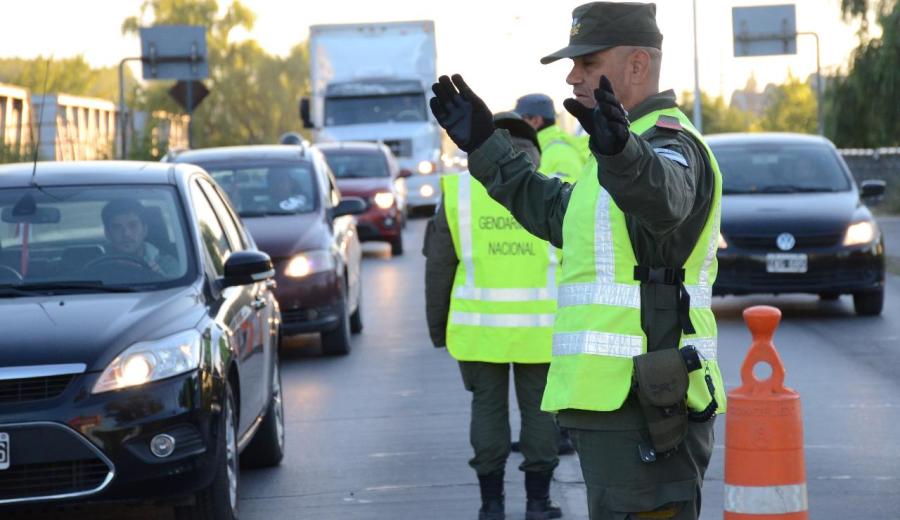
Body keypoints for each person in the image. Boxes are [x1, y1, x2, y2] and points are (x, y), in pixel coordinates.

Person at [427, 3, 727, 519]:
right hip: (614, 405)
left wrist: (624, 154)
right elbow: (554, 212)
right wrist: (484, 145)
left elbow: (667, 198)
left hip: (647, 403)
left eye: (588, 63)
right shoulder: (612, 151)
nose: (572, 76)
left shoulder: (670, 143)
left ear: (636, 66)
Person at [424, 112, 563, 520]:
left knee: (487, 412)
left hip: (479, 332)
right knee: (540, 414)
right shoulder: (552, 189)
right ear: (532, 151)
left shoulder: (459, 193)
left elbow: (438, 268)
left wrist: (437, 330)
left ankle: (491, 505)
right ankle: (538, 504)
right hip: (541, 331)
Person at [514, 94, 585, 184]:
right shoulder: (543, 148)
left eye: (520, 119)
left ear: (536, 120)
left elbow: (570, 195)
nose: (515, 124)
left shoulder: (560, 153)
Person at [101, 198, 178, 277]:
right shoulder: (98, 266)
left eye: (133, 225)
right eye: (117, 227)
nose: (126, 234)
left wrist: (159, 277)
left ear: (144, 230)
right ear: (107, 234)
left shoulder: (167, 263)